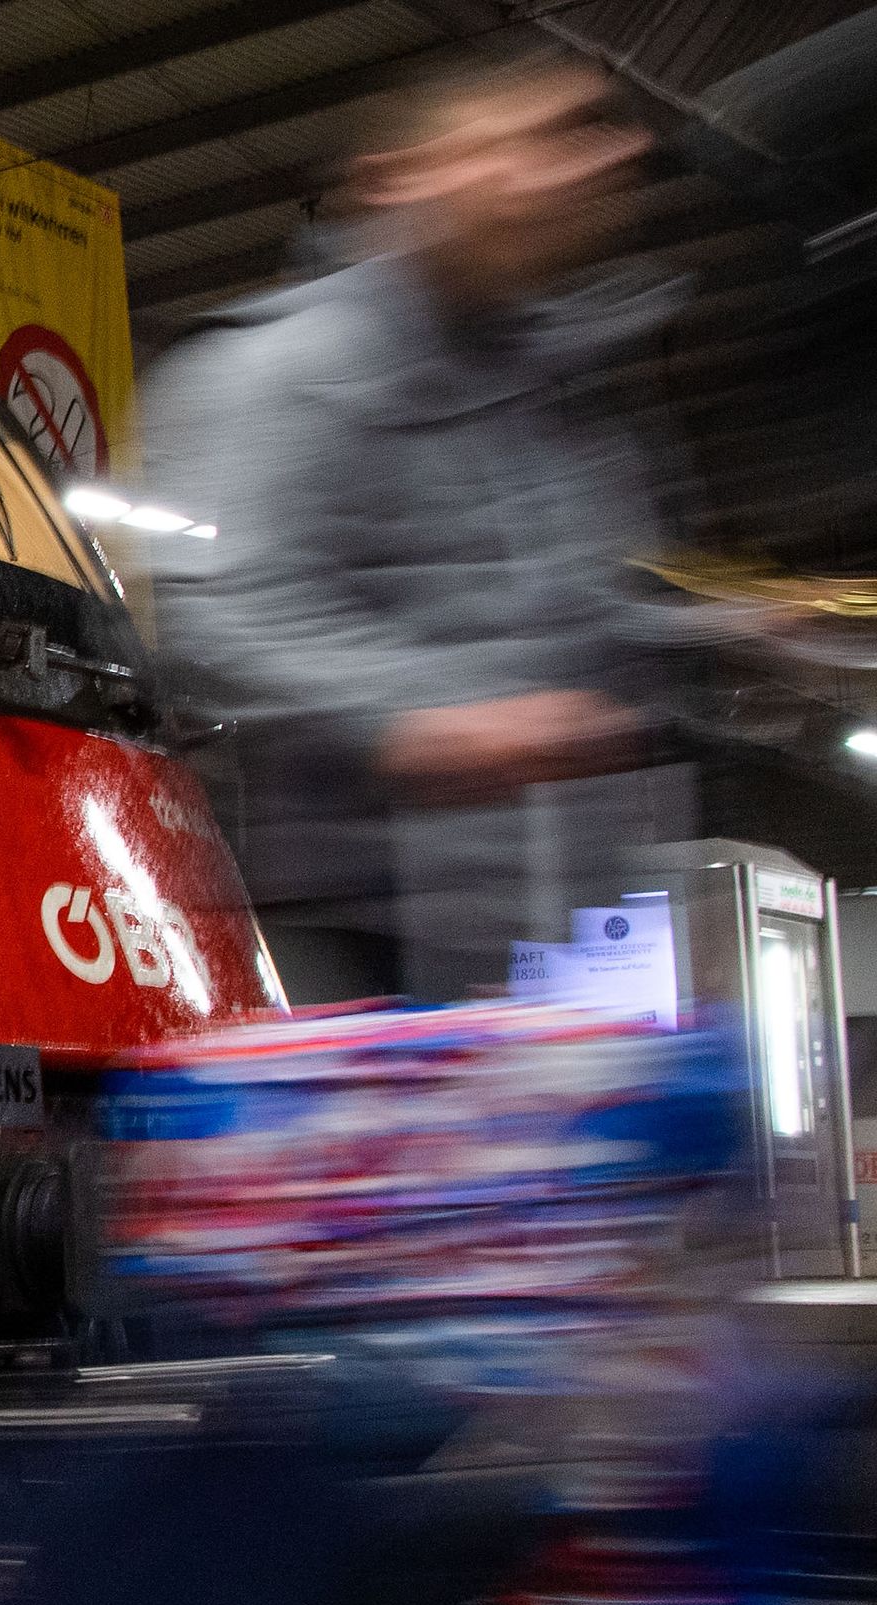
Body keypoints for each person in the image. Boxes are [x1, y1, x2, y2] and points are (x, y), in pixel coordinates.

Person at [145, 52, 681, 1005]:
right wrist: (420, 720)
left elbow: (597, 612)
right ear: (407, 174)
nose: (568, 173)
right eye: (523, 144)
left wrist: (731, 631)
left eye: (587, 143)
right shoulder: (277, 370)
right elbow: (218, 607)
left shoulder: (564, 398)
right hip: (345, 927)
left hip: (543, 926)